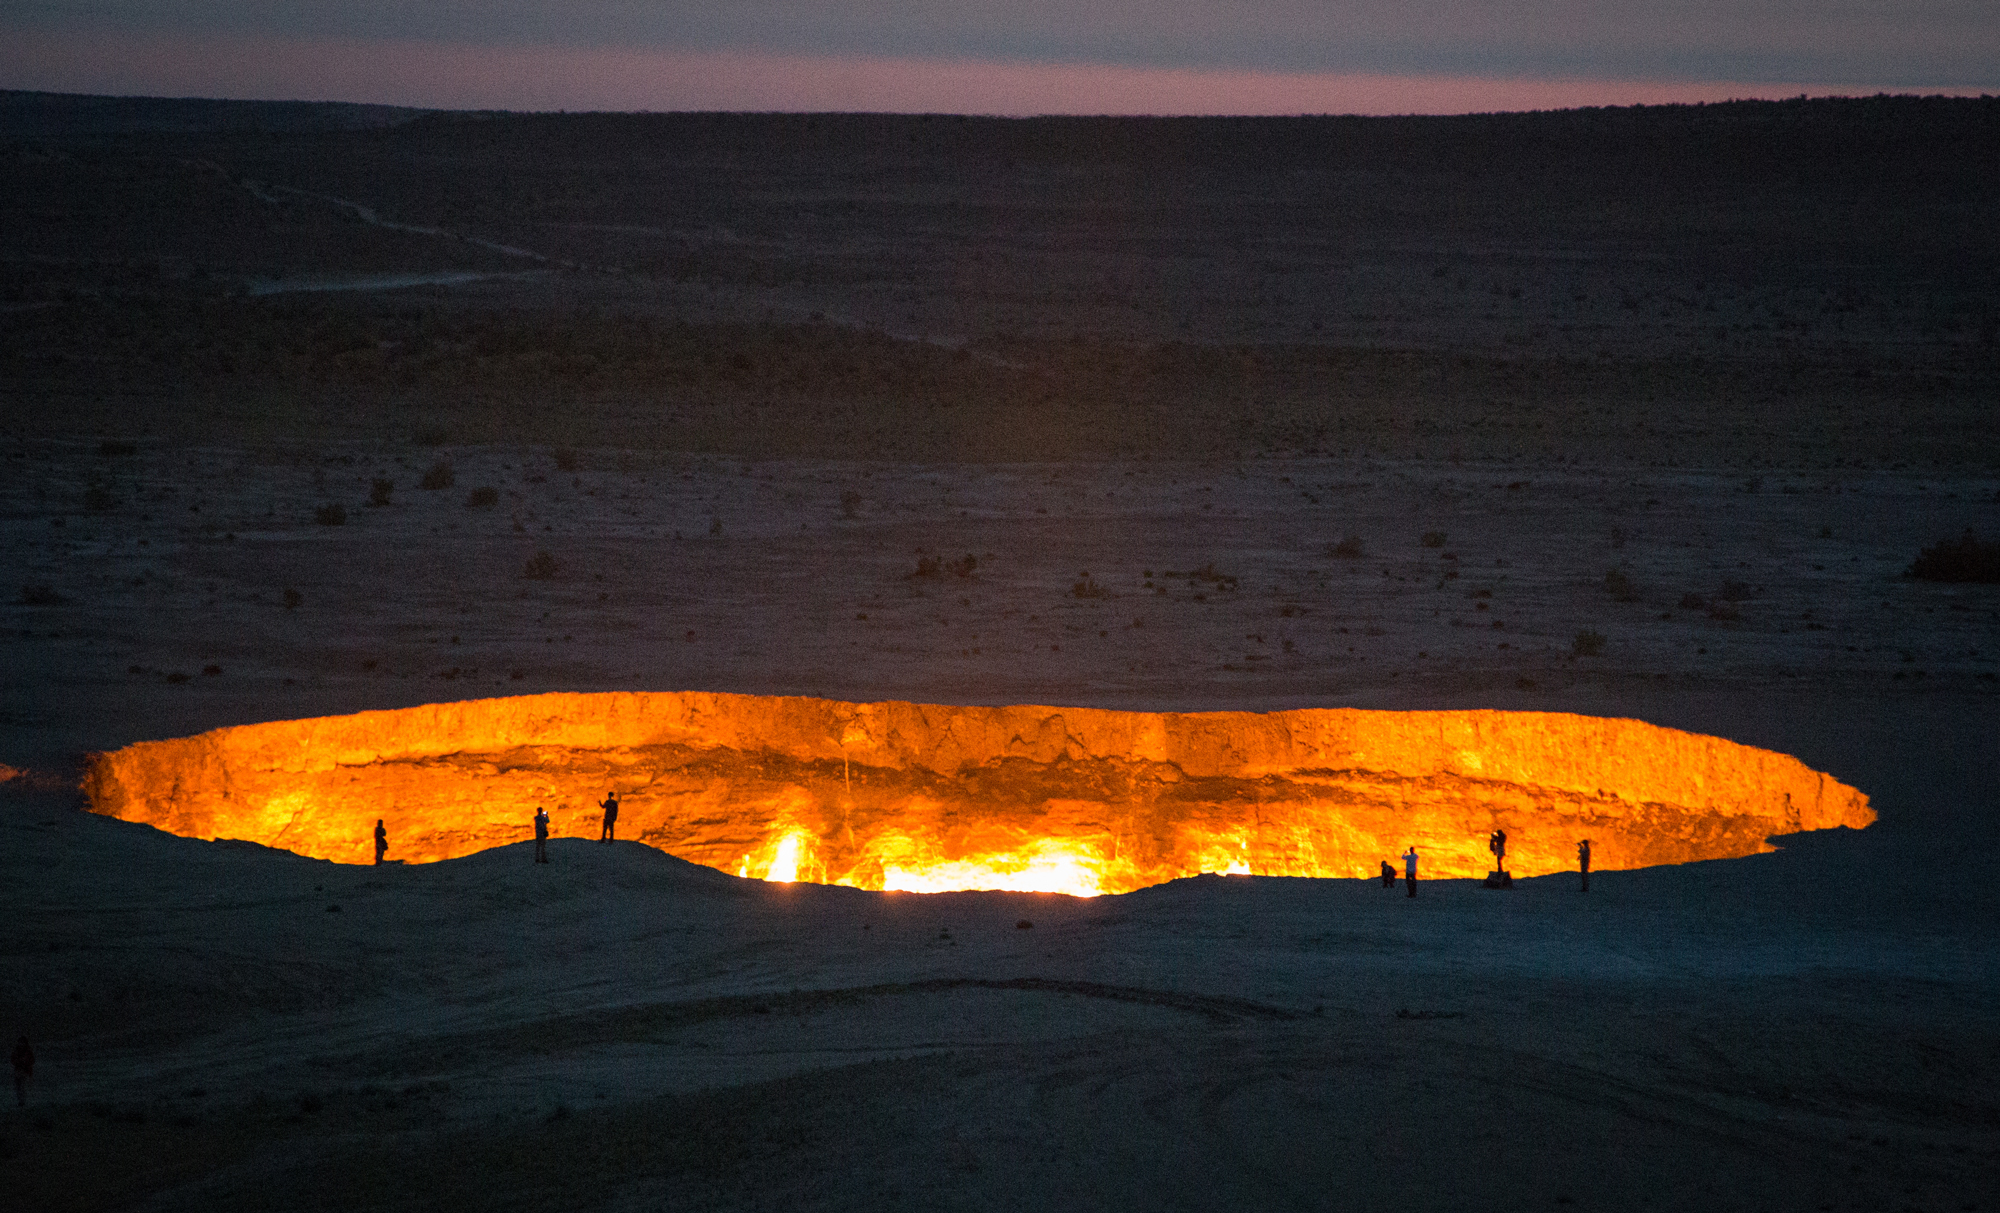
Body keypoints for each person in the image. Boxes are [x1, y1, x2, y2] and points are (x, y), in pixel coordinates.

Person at [12, 1035, 31, 1108]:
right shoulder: (16, 1051)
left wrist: (25, 1062)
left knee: (23, 1087)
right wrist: (18, 1062)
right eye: (20, 1042)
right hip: (17, 1071)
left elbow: (32, 1061)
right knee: (18, 1087)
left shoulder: (28, 1051)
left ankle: (23, 1102)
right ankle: (20, 1101)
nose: (21, 1044)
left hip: (25, 1071)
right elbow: (12, 1060)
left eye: (22, 1042)